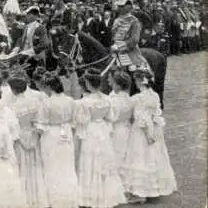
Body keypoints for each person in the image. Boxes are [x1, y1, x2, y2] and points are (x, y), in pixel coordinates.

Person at [121, 68, 177, 204]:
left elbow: (141, 119)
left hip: (142, 132)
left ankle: (141, 193)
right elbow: (155, 114)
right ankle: (153, 189)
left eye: (135, 80)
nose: (135, 82)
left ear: (140, 81)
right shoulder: (155, 95)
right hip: (155, 129)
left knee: (140, 158)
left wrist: (148, 135)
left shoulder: (137, 98)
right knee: (153, 157)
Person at [73, 68, 126, 208]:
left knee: (90, 160)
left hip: (90, 130)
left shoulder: (83, 102)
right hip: (102, 130)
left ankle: (90, 196)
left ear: (89, 84)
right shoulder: (107, 99)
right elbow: (111, 117)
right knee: (103, 159)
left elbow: (82, 120)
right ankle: (106, 194)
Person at [35, 74, 78, 208]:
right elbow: (74, 121)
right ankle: (69, 198)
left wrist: (34, 131)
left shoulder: (46, 103)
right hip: (66, 132)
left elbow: (41, 124)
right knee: (66, 165)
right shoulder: (70, 100)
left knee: (52, 166)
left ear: (49, 87)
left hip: (52, 134)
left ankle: (55, 199)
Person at [7, 69, 49, 207]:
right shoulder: (34, 101)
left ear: (13, 90)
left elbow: (11, 127)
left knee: (21, 168)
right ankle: (36, 198)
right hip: (32, 134)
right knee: (34, 167)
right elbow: (40, 121)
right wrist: (36, 134)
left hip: (20, 137)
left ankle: (23, 199)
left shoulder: (11, 106)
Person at [111, 0, 151, 74]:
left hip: (130, 51)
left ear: (128, 7)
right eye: (119, 6)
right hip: (114, 50)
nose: (119, 8)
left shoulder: (134, 21)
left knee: (137, 72)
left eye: (122, 6)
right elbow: (114, 35)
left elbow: (135, 39)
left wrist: (120, 46)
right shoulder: (116, 20)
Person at [107, 70, 134, 179]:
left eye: (112, 83)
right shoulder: (130, 99)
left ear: (118, 86)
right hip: (127, 129)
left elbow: (112, 117)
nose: (110, 84)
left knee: (116, 154)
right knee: (126, 155)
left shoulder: (114, 100)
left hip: (116, 130)